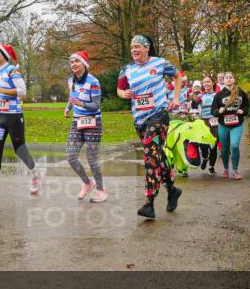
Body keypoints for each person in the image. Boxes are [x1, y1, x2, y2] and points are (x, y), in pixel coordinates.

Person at [117, 34, 183, 220]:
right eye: (132, 48)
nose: (134, 50)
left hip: (159, 115)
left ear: (147, 48)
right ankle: (172, 190)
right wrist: (124, 94)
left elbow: (178, 76)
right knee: (157, 156)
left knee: (149, 157)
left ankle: (149, 203)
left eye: (138, 46)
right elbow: (119, 89)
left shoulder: (160, 63)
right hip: (139, 118)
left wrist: (176, 98)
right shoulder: (127, 69)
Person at [0, 43, 41, 197]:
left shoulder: (12, 71)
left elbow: (22, 92)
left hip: (14, 117)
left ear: (4, 55)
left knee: (19, 149)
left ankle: (35, 173)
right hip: (0, 117)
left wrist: (0, 90)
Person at [63, 50, 107, 203]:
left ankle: (101, 190)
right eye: (72, 62)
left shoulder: (93, 82)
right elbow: (72, 96)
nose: (74, 64)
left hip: (93, 122)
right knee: (70, 156)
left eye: (77, 61)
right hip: (77, 122)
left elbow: (96, 105)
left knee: (91, 158)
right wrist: (68, 108)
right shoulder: (71, 81)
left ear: (84, 64)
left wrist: (81, 104)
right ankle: (88, 183)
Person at [211, 71, 250, 180]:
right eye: (226, 77)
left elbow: (247, 105)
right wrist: (218, 111)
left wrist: (243, 110)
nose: (228, 79)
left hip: (236, 125)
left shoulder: (241, 93)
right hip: (223, 125)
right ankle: (226, 169)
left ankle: (235, 170)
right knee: (224, 149)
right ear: (223, 80)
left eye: (230, 77)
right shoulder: (219, 95)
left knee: (234, 146)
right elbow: (213, 110)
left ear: (234, 79)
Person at [199, 75, 218, 173]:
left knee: (213, 144)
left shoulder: (217, 95)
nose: (206, 84)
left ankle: (211, 166)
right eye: (204, 82)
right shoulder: (200, 96)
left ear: (213, 83)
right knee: (203, 144)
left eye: (208, 82)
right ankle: (205, 157)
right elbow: (193, 105)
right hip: (203, 121)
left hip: (214, 121)